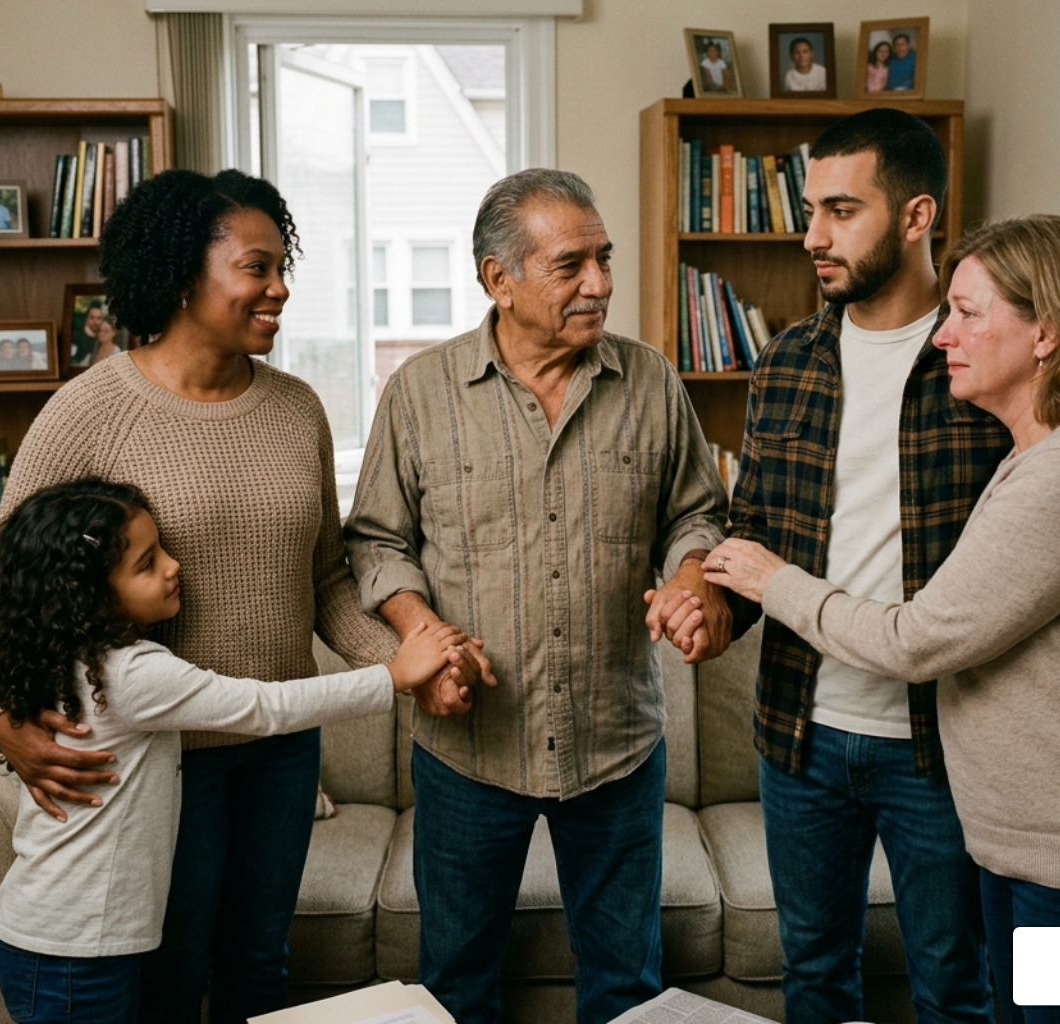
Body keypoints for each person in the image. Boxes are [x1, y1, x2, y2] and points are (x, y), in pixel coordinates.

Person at [651, 108, 1060, 1024]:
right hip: (801, 733)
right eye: (811, 210)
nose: (813, 237)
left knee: (955, 990)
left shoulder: (988, 352)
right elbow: (758, 527)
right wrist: (714, 604)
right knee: (814, 976)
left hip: (940, 747)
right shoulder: (788, 362)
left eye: (842, 211)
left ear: (917, 215)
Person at [0, 167, 471, 1024]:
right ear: (184, 273)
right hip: (161, 760)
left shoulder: (297, 409)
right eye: (256, 268)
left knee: (257, 964)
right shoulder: (90, 411)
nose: (280, 288)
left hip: (279, 755)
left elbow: (326, 586)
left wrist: (415, 664)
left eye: (282, 267)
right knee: (169, 973)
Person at [343, 168, 731, 1024]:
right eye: (570, 265)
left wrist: (689, 574)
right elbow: (375, 539)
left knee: (627, 988)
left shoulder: (653, 382)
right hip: (470, 749)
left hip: (616, 744)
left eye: (604, 258)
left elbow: (698, 511)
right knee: (457, 986)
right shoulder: (420, 394)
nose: (599, 284)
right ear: (497, 278)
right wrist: (426, 632)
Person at [0, 477, 465, 1024]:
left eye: (161, 549)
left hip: (58, 939)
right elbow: (265, 706)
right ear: (88, 594)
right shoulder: (131, 674)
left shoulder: (55, 658)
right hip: (73, 956)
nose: (172, 566)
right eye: (146, 563)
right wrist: (393, 674)